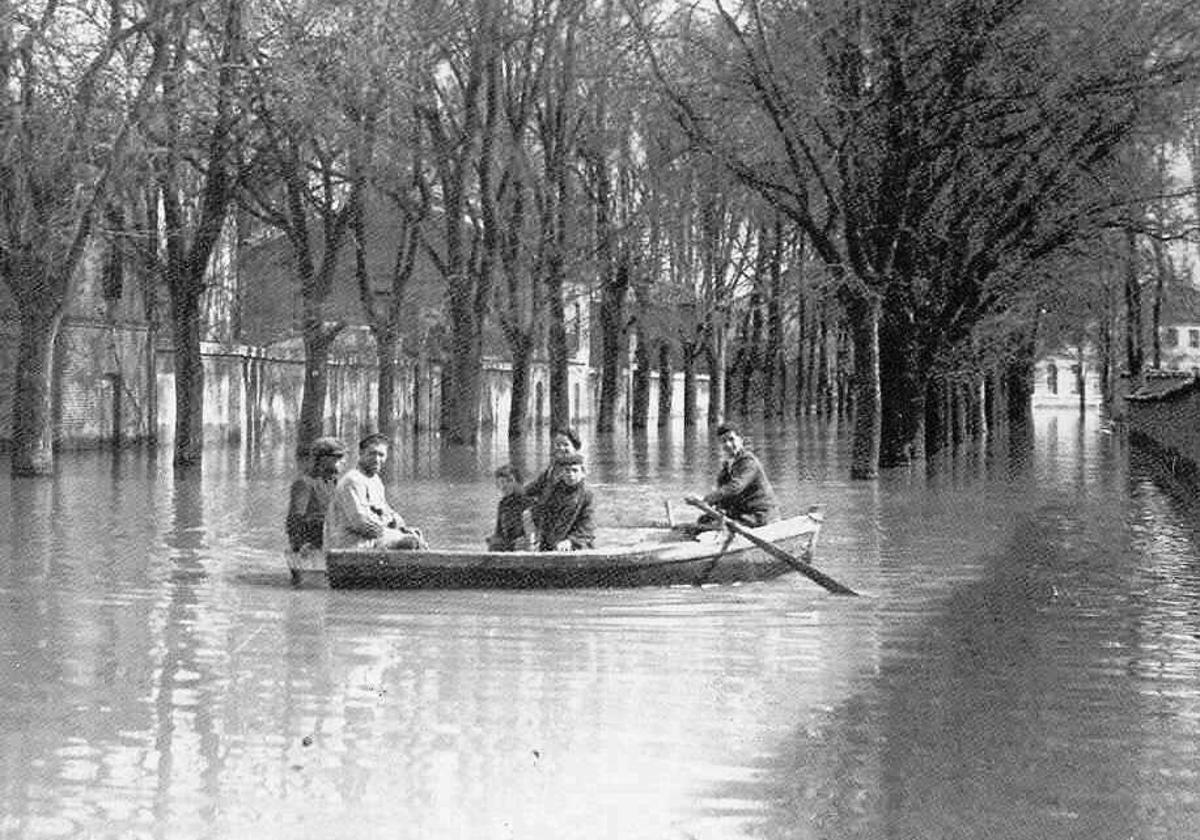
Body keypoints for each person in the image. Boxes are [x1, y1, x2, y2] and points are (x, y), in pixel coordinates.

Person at [324, 432, 427, 551]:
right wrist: (395, 533)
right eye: (372, 453)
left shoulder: (375, 481)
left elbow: (388, 512)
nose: (376, 459)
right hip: (350, 545)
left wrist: (402, 528)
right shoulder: (353, 480)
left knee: (416, 535)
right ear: (361, 454)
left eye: (381, 455)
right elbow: (361, 523)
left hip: (371, 541)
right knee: (410, 542)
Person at [684, 423, 778, 529]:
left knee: (713, 528)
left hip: (761, 515)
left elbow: (735, 487)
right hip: (743, 513)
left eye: (731, 439)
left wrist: (706, 499)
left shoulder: (749, 462)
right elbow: (724, 496)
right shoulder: (727, 467)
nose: (728, 444)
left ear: (741, 440)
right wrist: (711, 506)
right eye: (723, 441)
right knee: (703, 521)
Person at [285, 436, 346, 551]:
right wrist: (299, 545)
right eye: (338, 457)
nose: (344, 461)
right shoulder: (305, 483)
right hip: (311, 542)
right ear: (322, 459)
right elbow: (295, 519)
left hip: (332, 537)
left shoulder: (337, 484)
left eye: (343, 457)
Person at [528, 451, 595, 551]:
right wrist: (534, 535)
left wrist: (571, 541)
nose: (571, 474)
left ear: (583, 473)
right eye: (567, 470)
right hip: (551, 544)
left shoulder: (587, 495)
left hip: (577, 545)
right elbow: (540, 513)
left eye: (575, 470)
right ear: (562, 473)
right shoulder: (553, 491)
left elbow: (587, 527)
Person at [523, 426, 582, 504]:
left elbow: (567, 502)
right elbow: (536, 485)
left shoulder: (576, 472)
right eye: (558, 444)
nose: (561, 448)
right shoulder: (554, 467)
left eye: (566, 445)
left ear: (575, 447)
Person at [486, 464, 529, 551]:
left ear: (517, 482)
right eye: (500, 483)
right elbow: (499, 532)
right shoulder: (503, 504)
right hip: (509, 546)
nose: (503, 486)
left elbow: (535, 534)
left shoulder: (528, 503)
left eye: (508, 481)